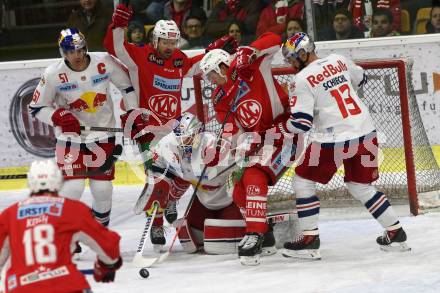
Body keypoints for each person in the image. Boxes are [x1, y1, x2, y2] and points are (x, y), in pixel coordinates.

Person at [104, 3, 237, 247]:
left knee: (189, 172)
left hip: (175, 129)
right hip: (148, 132)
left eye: (173, 42)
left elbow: (195, 67)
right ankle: (156, 225)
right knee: (159, 179)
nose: (169, 46)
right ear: (154, 40)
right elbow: (114, 47)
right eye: (165, 41)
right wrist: (118, 25)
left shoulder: (177, 58)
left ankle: (173, 201)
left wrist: (213, 52)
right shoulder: (139, 56)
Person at [280, 32, 410, 259]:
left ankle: (310, 240)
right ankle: (395, 233)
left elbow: (301, 123)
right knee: (361, 186)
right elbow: (361, 78)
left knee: (302, 181)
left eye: (292, 58)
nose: (290, 64)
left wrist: (282, 128)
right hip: (366, 130)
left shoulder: (301, 80)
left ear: (303, 52)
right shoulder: (338, 59)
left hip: (333, 139)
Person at [199, 32, 299, 265]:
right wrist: (222, 151)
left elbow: (275, 39)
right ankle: (266, 238)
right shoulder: (220, 96)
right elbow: (232, 131)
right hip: (261, 140)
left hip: (284, 132)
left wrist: (248, 51)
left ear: (223, 65)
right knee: (237, 186)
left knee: (254, 174)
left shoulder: (250, 65)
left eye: (212, 73)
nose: (211, 80)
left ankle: (254, 234)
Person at [29, 28, 139, 230]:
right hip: (70, 139)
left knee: (103, 189)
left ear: (85, 48)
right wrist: (57, 115)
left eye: (80, 50)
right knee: (73, 187)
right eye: (71, 52)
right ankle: (69, 232)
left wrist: (131, 113)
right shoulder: (53, 73)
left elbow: (128, 87)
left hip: (103, 135)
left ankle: (99, 231)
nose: (76, 56)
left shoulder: (104, 61)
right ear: (63, 52)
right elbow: (36, 107)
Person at [136, 113, 277, 255]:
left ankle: (262, 228)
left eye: (189, 138)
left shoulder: (216, 146)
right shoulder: (167, 145)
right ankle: (164, 214)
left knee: (215, 244)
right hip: (203, 201)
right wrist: (157, 187)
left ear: (199, 134)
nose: (184, 144)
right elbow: (158, 170)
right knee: (192, 240)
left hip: (228, 200)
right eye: (180, 139)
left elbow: (245, 161)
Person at [0, 160, 122, 293]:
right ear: (58, 181)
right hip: (67, 285)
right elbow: (109, 245)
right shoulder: (73, 210)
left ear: (29, 182)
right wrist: (105, 267)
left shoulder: (9, 215)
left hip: (20, 287)